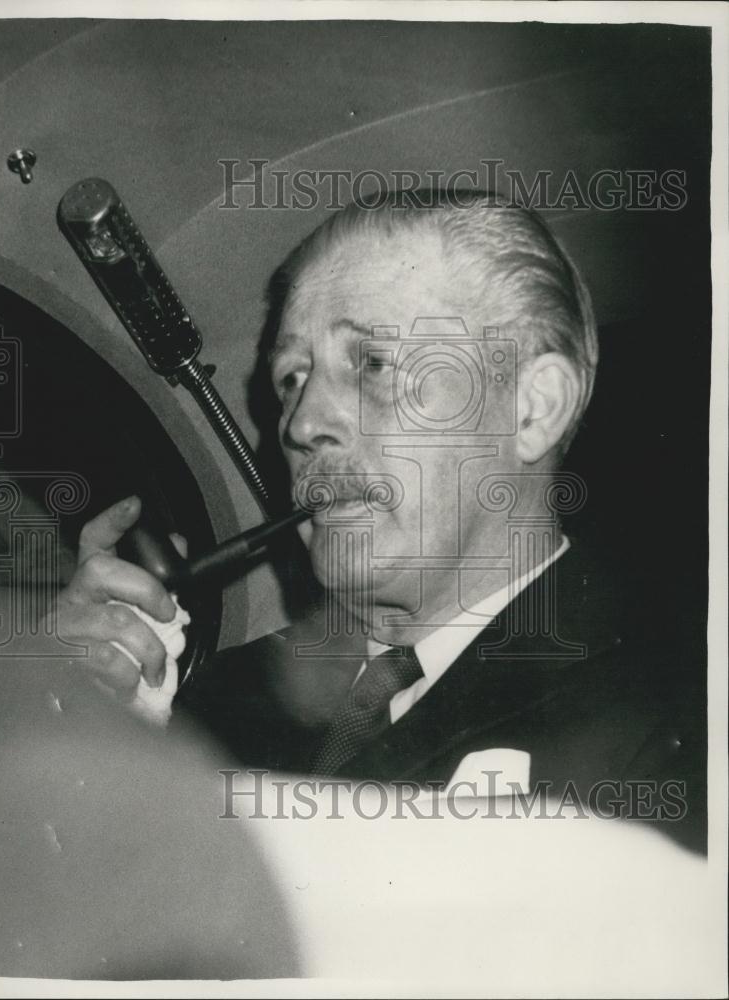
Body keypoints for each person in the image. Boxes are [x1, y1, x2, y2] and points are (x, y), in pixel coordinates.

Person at [53, 191, 704, 845]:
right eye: (290, 379)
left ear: (532, 410)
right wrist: (86, 731)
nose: (301, 424)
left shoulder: (677, 719)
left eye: (371, 363)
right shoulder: (202, 706)